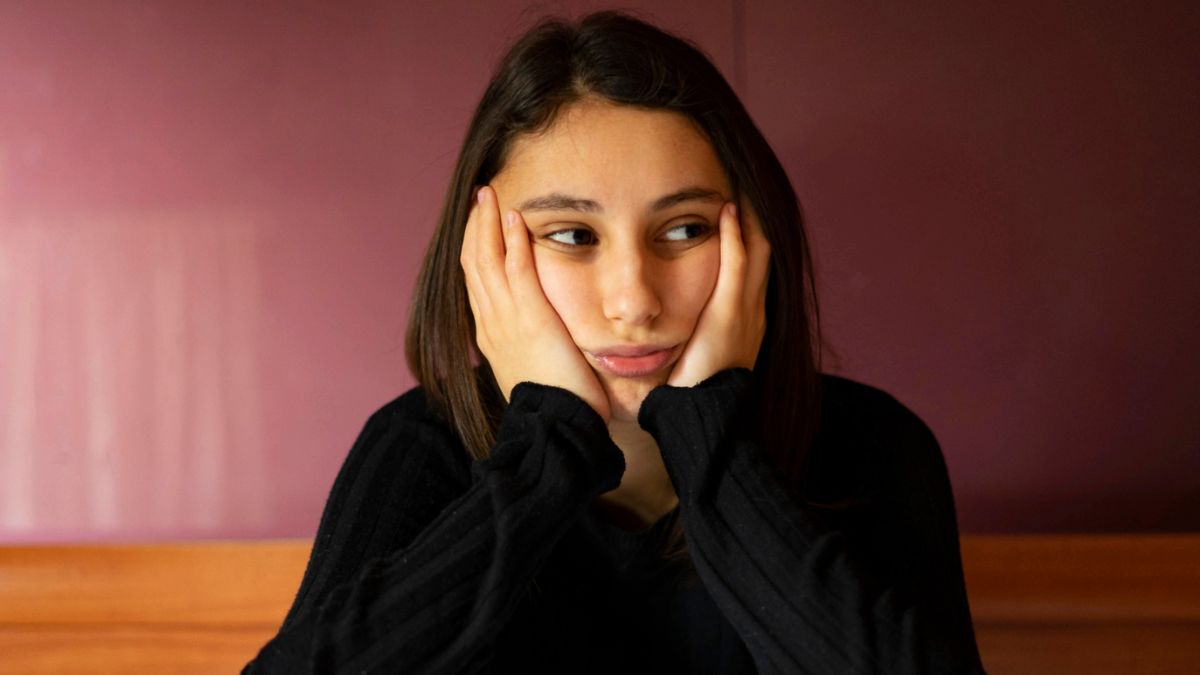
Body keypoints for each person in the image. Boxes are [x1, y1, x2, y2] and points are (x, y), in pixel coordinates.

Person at [244, 11, 985, 674]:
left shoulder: (875, 446)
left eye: (686, 229)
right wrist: (545, 452)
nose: (633, 300)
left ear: (756, 244)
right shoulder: (421, 449)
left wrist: (710, 439)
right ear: (480, 257)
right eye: (571, 235)